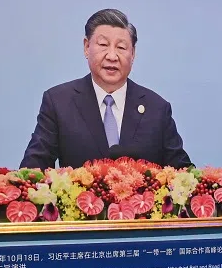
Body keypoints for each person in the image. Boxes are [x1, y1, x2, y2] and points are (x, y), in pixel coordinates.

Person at [20, 9, 192, 170]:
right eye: (103, 44)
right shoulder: (58, 102)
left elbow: (183, 174)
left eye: (121, 47)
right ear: (87, 47)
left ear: (133, 54)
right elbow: (33, 169)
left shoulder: (157, 108)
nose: (112, 56)